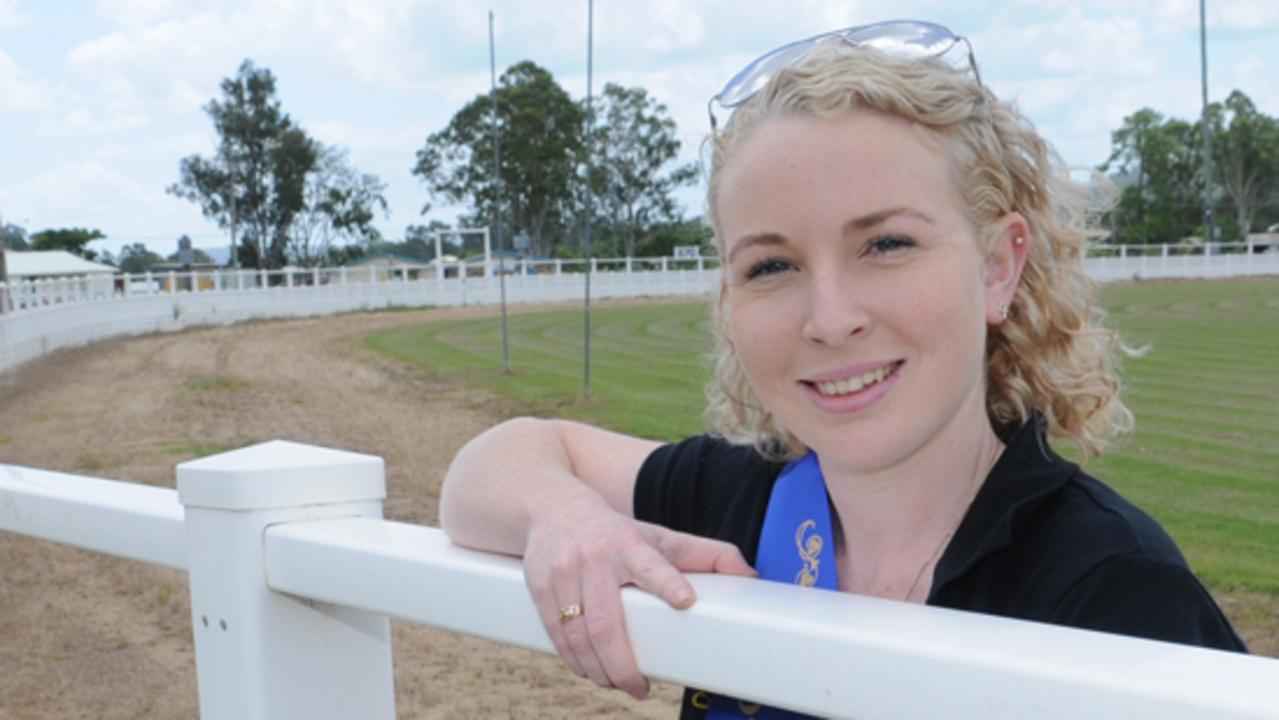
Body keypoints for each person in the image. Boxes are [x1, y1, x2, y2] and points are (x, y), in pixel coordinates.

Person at [440, 20, 1247, 718]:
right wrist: (568, 520)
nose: (829, 319)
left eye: (886, 245)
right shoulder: (735, 505)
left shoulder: (1110, 592)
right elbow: (494, 465)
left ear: (999, 267)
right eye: (769, 266)